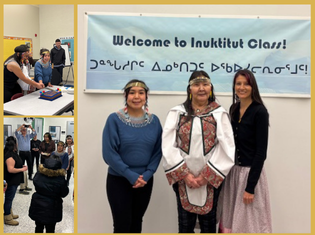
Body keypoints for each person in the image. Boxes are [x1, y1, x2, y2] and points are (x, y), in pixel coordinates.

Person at [162, 70, 235, 233]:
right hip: (183, 179)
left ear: (211, 88)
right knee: (185, 226)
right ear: (190, 89)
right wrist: (185, 175)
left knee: (208, 226)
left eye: (205, 84)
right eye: (196, 85)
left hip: (210, 180)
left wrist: (205, 177)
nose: (201, 88)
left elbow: (227, 147)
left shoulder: (219, 114)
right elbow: (167, 145)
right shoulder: (178, 113)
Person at [102, 79, 162, 233]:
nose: (137, 96)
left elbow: (158, 151)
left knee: (136, 223)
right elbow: (109, 154)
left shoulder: (154, 122)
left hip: (144, 181)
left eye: (141, 93)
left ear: (146, 96)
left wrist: (147, 175)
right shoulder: (114, 119)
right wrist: (130, 175)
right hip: (119, 180)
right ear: (126, 95)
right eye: (132, 92)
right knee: (122, 225)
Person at [218, 69, 272, 233]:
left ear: (253, 86)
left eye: (246, 84)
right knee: (229, 222)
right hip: (232, 174)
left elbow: (261, 153)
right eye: (238, 84)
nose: (242, 87)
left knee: (248, 224)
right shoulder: (233, 108)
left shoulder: (260, 112)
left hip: (250, 176)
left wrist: (250, 187)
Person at [29, 156, 69, 233]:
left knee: (38, 227)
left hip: (38, 204)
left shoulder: (39, 173)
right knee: (50, 229)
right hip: (53, 207)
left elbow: (35, 182)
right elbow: (64, 193)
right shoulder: (60, 178)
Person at [4, 136, 28, 225]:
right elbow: (10, 169)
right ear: (14, 145)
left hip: (14, 180)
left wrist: (21, 167)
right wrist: (22, 170)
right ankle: (7, 218)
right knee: (9, 199)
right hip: (11, 181)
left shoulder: (13, 153)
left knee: (10, 198)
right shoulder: (9, 155)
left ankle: (9, 213)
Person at [15, 124, 36, 189]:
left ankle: (30, 176)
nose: (24, 131)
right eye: (23, 130)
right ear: (21, 131)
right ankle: (20, 177)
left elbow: (35, 133)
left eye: (25, 130)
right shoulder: (19, 136)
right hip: (21, 153)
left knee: (30, 164)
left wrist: (31, 128)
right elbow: (16, 132)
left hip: (28, 152)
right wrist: (21, 126)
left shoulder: (28, 136)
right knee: (21, 165)